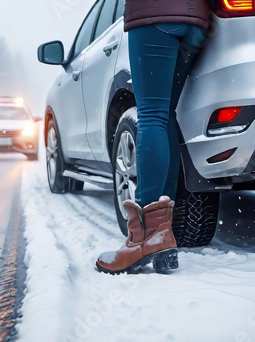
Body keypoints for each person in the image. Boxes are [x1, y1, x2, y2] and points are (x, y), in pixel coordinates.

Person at [96, 0, 211, 274]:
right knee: (165, 114)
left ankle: (144, 237)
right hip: (195, 18)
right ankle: (162, 231)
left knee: (151, 114)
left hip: (155, 14)